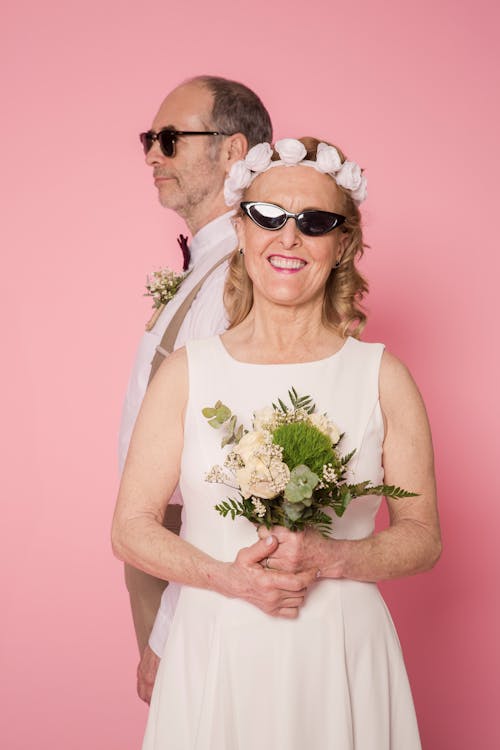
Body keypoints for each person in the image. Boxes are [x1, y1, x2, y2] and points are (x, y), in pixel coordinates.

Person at [112, 137, 441, 748]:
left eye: (314, 223)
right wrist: (226, 578)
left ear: (341, 245)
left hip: (339, 648)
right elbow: (130, 528)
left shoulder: (381, 376)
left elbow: (423, 536)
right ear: (241, 229)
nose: (288, 239)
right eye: (269, 216)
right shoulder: (188, 372)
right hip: (218, 643)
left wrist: (332, 558)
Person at [119, 75, 273, 702]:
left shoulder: (244, 277)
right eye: (149, 140)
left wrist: (166, 631)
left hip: (197, 570)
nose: (153, 154)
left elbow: (244, 479)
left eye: (171, 138)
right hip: (162, 552)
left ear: (234, 151)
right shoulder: (207, 267)